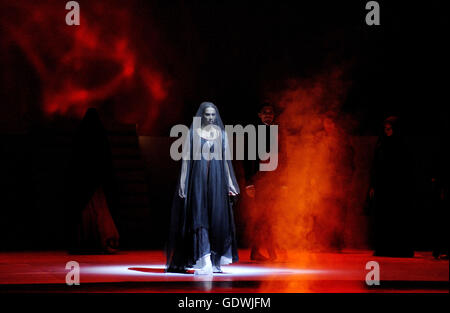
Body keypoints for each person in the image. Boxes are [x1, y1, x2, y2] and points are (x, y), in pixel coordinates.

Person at [166, 102, 239, 274]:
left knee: (216, 218)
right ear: (202, 115)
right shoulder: (194, 134)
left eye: (213, 114)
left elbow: (226, 161)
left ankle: (214, 261)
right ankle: (203, 259)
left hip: (217, 180)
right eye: (207, 114)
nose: (211, 118)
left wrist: (230, 183)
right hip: (198, 181)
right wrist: (183, 183)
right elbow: (186, 160)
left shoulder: (221, 134)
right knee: (199, 218)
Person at [66, 108, 120, 254]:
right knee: (100, 212)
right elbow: (105, 160)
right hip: (97, 184)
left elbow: (76, 161)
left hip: (85, 182)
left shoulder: (81, 137)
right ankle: (102, 239)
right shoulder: (100, 137)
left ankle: (86, 240)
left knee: (87, 213)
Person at [244, 103, 287, 261]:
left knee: (267, 216)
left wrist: (284, 182)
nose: (268, 115)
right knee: (265, 216)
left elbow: (284, 158)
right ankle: (271, 251)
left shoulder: (277, 131)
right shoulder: (254, 132)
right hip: (260, 180)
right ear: (259, 115)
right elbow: (248, 158)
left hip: (273, 180)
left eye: (271, 112)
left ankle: (258, 251)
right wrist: (249, 182)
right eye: (265, 112)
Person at [367, 116, 414, 257]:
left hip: (397, 187)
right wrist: (373, 185)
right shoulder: (381, 143)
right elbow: (375, 165)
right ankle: (384, 248)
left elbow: (406, 167)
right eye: (385, 129)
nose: (387, 131)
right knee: (383, 218)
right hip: (383, 186)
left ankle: (399, 249)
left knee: (397, 218)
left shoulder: (401, 144)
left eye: (390, 129)